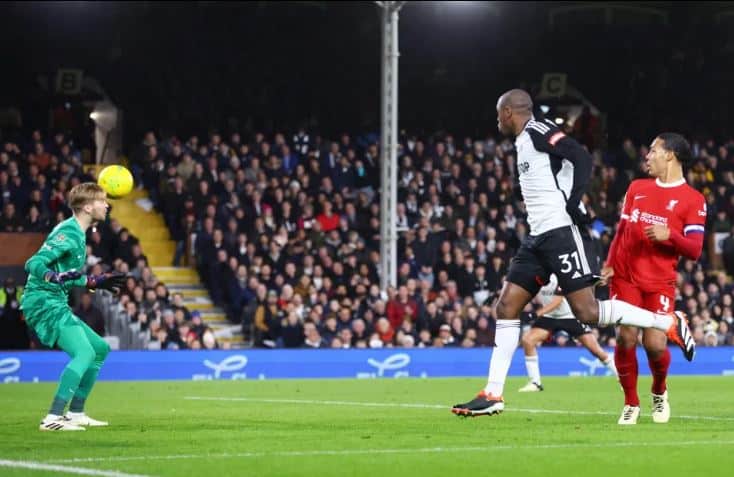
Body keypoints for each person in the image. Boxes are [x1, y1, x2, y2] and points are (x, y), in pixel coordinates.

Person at [451, 89, 695, 418]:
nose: (497, 121)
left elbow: (580, 156)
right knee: (506, 306)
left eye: (499, 114)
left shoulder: (538, 130)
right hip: (537, 238)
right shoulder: (522, 142)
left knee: (588, 312)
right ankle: (493, 393)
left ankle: (666, 322)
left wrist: (572, 201)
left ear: (509, 112)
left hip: (562, 234)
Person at [601, 133, 706, 425]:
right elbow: (622, 231)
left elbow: (695, 249)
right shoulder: (637, 188)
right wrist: (609, 264)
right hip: (625, 275)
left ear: (670, 155)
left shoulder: (693, 200)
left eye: (653, 150)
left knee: (656, 344)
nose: (647, 156)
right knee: (625, 336)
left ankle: (659, 391)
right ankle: (630, 403)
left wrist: (670, 235)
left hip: (659, 280)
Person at [20, 183, 127, 431]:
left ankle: (76, 412)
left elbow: (65, 274)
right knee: (84, 353)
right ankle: (53, 418)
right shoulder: (68, 233)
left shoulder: (78, 233)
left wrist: (93, 281)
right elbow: (33, 263)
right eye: (102, 201)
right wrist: (51, 277)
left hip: (55, 300)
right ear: (88, 207)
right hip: (43, 301)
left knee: (99, 348)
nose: (107, 205)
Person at [518, 273, 617, 392]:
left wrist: (535, 314)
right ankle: (535, 382)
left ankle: (619, 375)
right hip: (549, 316)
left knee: (595, 350)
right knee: (528, 340)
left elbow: (557, 301)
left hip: (570, 316)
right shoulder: (534, 278)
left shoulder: (558, 276)